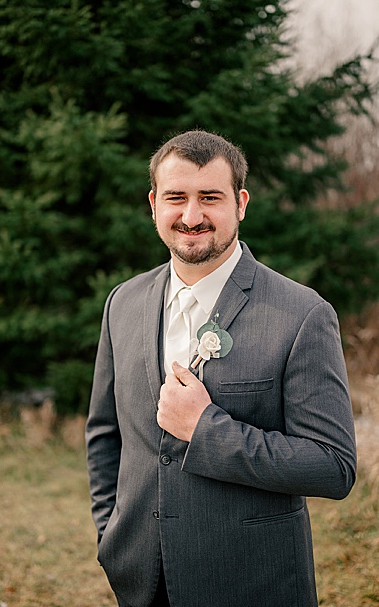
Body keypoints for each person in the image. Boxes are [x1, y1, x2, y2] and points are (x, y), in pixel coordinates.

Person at [85, 129, 357, 607]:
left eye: (210, 197)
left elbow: (333, 467)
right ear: (153, 204)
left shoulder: (302, 314)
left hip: (251, 582)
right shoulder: (122, 303)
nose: (192, 216)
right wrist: (111, 535)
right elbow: (105, 435)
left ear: (241, 203)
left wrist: (206, 429)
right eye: (176, 198)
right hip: (140, 580)